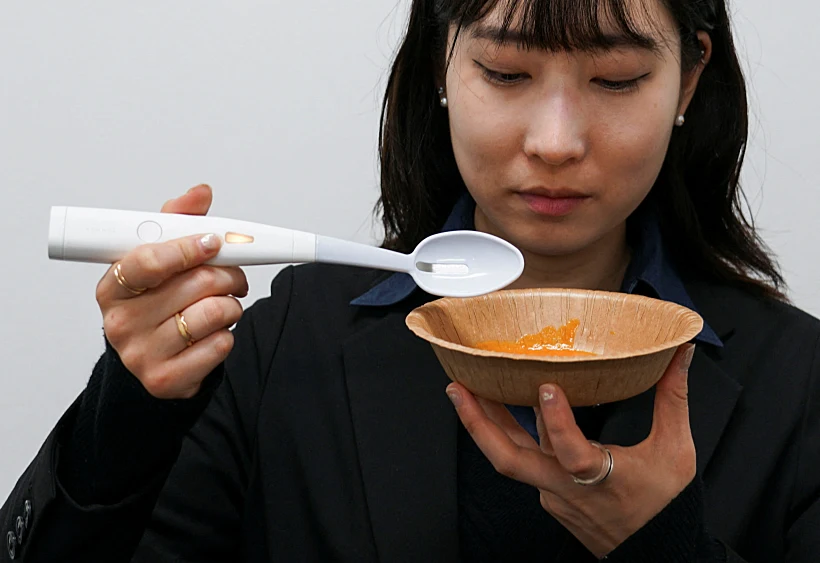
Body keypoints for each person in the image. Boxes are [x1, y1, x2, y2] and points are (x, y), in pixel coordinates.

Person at [2, 0, 818, 560]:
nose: (557, 140)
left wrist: (666, 545)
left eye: (615, 80)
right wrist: (134, 402)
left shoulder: (798, 379)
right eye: (505, 72)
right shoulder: (291, 344)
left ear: (691, 77)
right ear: (441, 61)